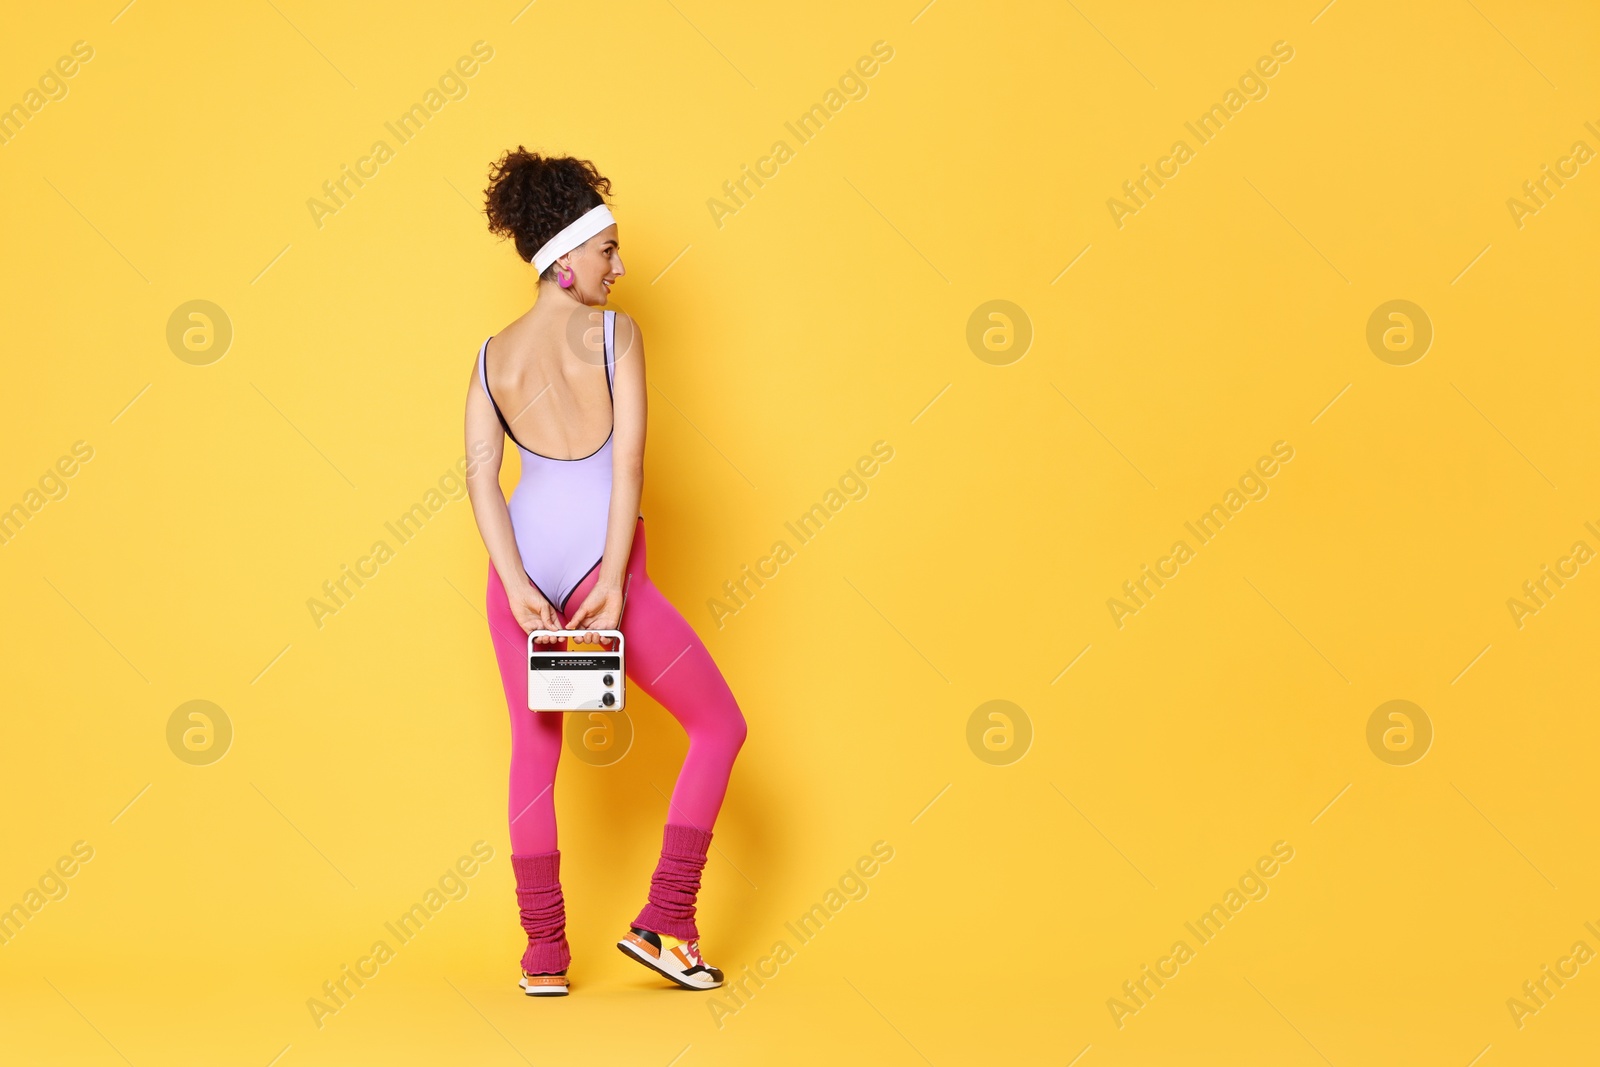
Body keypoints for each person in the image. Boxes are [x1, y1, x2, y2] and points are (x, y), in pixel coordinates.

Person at [464, 148, 748, 997]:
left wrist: (515, 583)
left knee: (531, 754)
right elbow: (628, 468)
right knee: (720, 728)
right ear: (563, 260)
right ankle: (667, 918)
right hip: (600, 567)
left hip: (523, 569)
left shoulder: (491, 356)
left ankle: (542, 955)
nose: (620, 268)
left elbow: (480, 474)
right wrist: (617, 581)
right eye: (607, 251)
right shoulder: (617, 334)